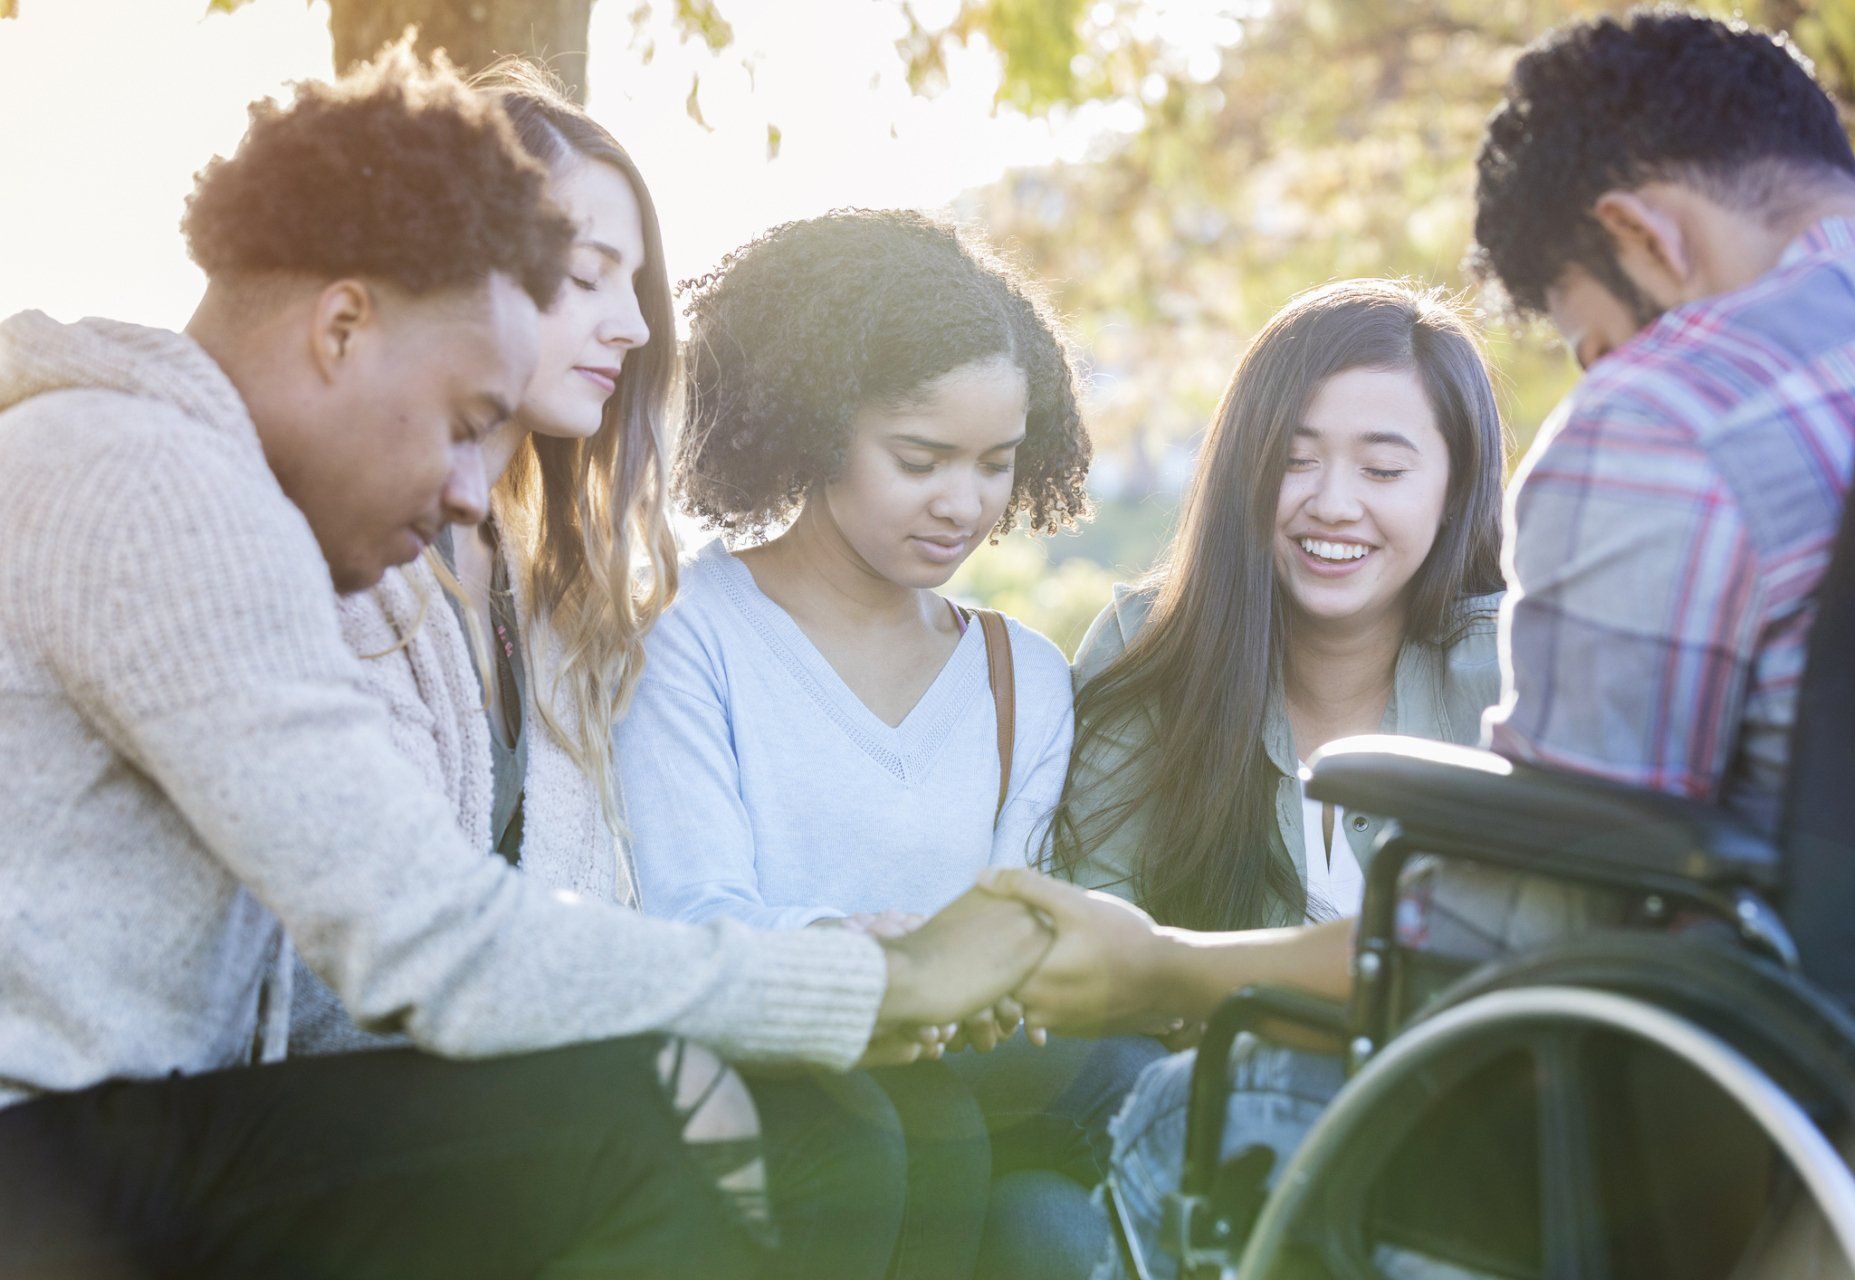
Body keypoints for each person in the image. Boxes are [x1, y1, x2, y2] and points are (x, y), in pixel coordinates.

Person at [0, 48, 1050, 1279]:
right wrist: (883, 979)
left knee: (769, 1124)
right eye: (461, 425)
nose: (464, 484)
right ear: (343, 325)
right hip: (51, 1162)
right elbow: (428, 944)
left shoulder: (205, 480)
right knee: (634, 1128)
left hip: (143, 1135)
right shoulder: (146, 481)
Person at [987, 12, 1855, 1279]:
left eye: (1594, 336)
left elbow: (1504, 948)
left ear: (1649, 238)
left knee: (1168, 1119)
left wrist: (1163, 966)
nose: (1606, 369)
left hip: (1726, 1128)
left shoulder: (1670, 412)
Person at [282, 68, 944, 1277]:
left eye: (633, 286)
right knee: (688, 1124)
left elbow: (607, 911)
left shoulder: (557, 593)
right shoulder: (340, 552)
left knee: (836, 1122)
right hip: (333, 1094)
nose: (633, 323)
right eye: (587, 277)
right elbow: (382, 951)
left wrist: (825, 948)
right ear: (453, 268)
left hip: (501, 1069)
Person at [613, 208, 1151, 1279]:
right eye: (920, 457)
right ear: (813, 426)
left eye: (997, 463)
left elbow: (1011, 934)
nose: (964, 502)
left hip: (970, 1076)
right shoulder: (687, 637)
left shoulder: (1022, 677)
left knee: (1099, 1131)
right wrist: (885, 962)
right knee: (905, 1124)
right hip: (782, 1080)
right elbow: (694, 911)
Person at [1052, 278, 1505, 940]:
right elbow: (1093, 945)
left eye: (1382, 470)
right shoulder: (1147, 645)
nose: (1332, 503)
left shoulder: (1508, 674)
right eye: (1295, 459)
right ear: (1246, 469)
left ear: (1455, 489)